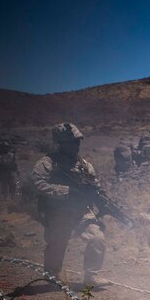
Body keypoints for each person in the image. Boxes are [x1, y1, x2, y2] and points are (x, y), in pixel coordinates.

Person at [32, 123, 108, 286]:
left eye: (77, 142)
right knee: (58, 242)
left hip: (81, 210)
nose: (76, 146)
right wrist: (67, 191)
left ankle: (91, 276)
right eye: (71, 142)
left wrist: (101, 199)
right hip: (57, 211)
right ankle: (52, 276)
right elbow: (38, 185)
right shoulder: (47, 163)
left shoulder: (85, 166)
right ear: (60, 143)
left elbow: (95, 186)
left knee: (97, 238)